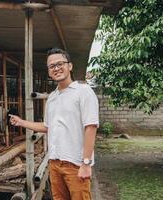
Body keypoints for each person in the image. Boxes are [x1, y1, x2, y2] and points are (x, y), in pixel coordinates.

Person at [9, 47, 99, 200]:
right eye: (52, 66)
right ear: (49, 71)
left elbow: (91, 127)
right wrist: (22, 122)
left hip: (76, 164)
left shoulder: (83, 91)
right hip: (55, 162)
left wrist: (86, 163)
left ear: (69, 66)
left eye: (60, 64)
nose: (56, 68)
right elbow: (47, 127)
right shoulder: (52, 97)